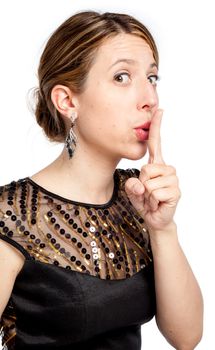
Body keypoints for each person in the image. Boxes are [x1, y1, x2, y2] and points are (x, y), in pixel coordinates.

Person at [0, 10, 203, 350]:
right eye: (122, 77)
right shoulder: (13, 214)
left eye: (152, 78)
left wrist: (162, 228)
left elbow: (187, 337)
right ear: (67, 101)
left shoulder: (136, 197)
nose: (149, 99)